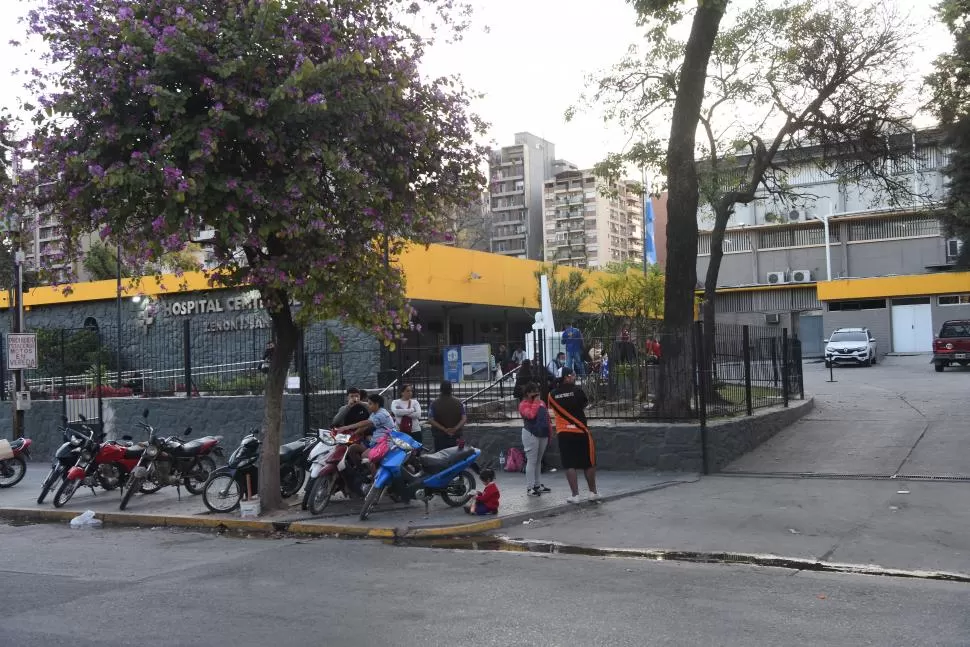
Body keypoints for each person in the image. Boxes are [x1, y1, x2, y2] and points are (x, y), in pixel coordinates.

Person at [548, 367, 598, 503]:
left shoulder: (552, 395)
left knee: (569, 464)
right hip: (581, 431)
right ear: (567, 377)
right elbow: (584, 404)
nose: (574, 377)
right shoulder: (577, 391)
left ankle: (575, 495)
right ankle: (592, 493)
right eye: (573, 375)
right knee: (588, 463)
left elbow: (553, 410)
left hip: (564, 433)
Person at [518, 382, 552, 496]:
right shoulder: (523, 405)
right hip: (530, 434)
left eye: (537, 391)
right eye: (533, 391)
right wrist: (536, 402)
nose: (536, 394)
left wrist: (550, 433)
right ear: (528, 393)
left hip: (543, 434)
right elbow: (531, 415)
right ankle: (530, 487)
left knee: (538, 461)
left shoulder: (541, 402)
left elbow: (546, 418)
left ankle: (537, 485)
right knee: (532, 461)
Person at [428, 381, 467, 452]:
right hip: (456, 435)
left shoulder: (434, 404)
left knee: (440, 458)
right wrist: (455, 429)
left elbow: (431, 419)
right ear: (451, 389)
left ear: (440, 389)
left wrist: (444, 429)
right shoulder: (459, 403)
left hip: (440, 436)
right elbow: (464, 418)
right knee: (456, 457)